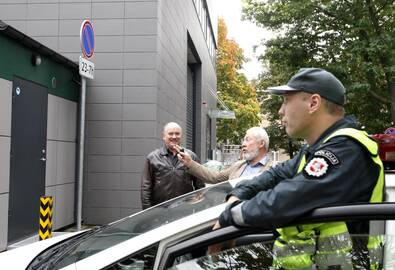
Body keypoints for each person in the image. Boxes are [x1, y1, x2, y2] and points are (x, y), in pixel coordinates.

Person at [214, 68, 384, 269]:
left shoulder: (346, 149)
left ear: (313, 103)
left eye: (286, 101)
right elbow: (276, 174)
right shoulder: (318, 149)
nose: (280, 111)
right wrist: (240, 193)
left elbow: (289, 197)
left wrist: (229, 217)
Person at [140, 122, 205, 209]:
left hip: (185, 209)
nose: (174, 136)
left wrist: (197, 207)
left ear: (181, 135)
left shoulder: (191, 156)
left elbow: (200, 186)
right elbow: (146, 188)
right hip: (160, 211)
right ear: (164, 136)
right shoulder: (153, 158)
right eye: (170, 133)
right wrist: (147, 212)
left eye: (177, 134)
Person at [177, 127, 273, 184]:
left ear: (261, 144)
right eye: (243, 140)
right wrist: (190, 163)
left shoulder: (274, 169)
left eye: (247, 139)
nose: (243, 144)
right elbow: (214, 177)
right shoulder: (238, 166)